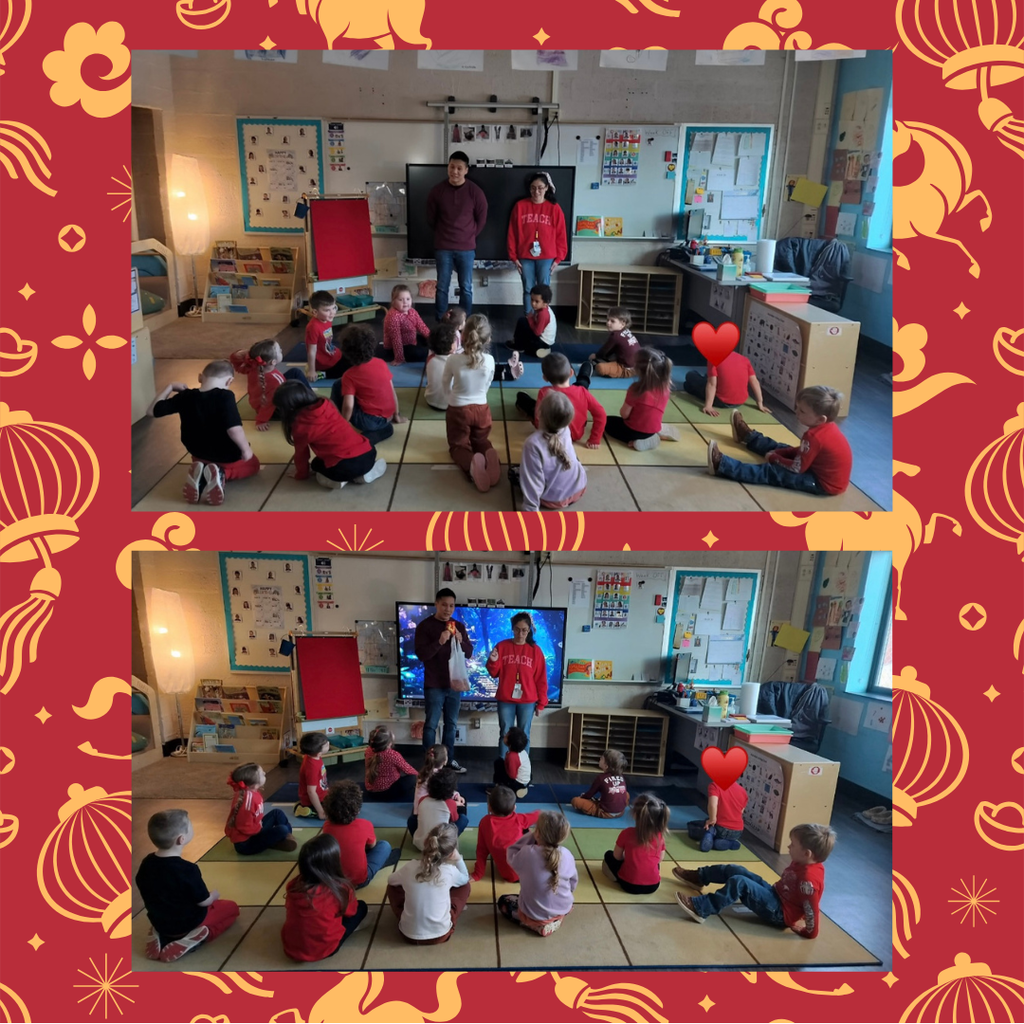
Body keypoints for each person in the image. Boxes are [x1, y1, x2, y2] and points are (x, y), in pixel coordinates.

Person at [674, 822, 837, 937]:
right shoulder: (802, 861)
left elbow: (811, 908)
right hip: (775, 894)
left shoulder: (808, 880)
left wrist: (809, 932)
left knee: (739, 882)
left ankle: (702, 908)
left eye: (792, 845)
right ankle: (699, 878)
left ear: (807, 853)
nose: (788, 847)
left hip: (779, 913)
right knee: (735, 869)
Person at [147, 360, 258, 506]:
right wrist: (246, 450)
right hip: (226, 454)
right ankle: (221, 474)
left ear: (200, 377)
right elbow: (234, 429)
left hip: (197, 452)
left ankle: (203, 474)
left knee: (203, 459)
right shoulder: (225, 396)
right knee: (253, 465)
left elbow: (152, 411)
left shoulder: (186, 396)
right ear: (230, 380)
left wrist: (170, 386)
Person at [136, 809, 240, 962]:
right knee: (232, 909)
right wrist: (214, 895)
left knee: (169, 910)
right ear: (181, 839)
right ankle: (197, 937)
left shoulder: (146, 863)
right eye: (190, 826)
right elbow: (204, 901)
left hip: (160, 920)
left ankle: (160, 934)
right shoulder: (187, 869)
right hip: (189, 922)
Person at [708, 386, 852, 495]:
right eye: (798, 408)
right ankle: (748, 437)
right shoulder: (826, 427)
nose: (796, 412)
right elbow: (801, 451)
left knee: (771, 472)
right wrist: (782, 451)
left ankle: (722, 465)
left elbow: (797, 468)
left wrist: (775, 458)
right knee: (780, 446)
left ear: (821, 419)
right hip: (814, 466)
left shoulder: (814, 436)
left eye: (802, 411)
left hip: (822, 483)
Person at [275, 380, 386, 490]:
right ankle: (364, 474)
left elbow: (302, 454)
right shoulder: (326, 403)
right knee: (349, 457)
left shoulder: (299, 425)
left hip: (342, 467)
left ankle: (336, 481)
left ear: (288, 408)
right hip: (368, 452)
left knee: (316, 465)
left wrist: (301, 474)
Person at [281, 834, 368, 961]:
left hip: (290, 947)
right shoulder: (340, 888)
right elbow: (352, 912)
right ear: (334, 863)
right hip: (325, 949)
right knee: (361, 907)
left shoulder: (293, 885)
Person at [414, 590, 472, 773]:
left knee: (451, 724)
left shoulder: (458, 626)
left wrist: (461, 642)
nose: (448, 609)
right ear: (437, 604)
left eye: (452, 605)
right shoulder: (425, 626)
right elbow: (422, 654)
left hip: (454, 684)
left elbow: (469, 653)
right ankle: (430, 765)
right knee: (431, 724)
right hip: (434, 685)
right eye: (444, 604)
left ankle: (449, 761)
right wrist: (439, 641)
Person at [387, 822, 472, 944]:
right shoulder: (449, 871)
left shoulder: (410, 867)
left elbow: (390, 880)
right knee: (464, 886)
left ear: (426, 842)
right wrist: (459, 859)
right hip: (441, 935)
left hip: (407, 934)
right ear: (451, 852)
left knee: (392, 887)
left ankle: (410, 915)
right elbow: (465, 878)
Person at [427, 152, 488, 320]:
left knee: (466, 287)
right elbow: (431, 218)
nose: (455, 171)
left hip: (467, 248)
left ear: (466, 170)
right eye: (452, 167)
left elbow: (482, 219)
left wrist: (468, 235)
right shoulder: (437, 191)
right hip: (443, 247)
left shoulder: (475, 192)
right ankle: (441, 323)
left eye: (459, 168)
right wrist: (444, 234)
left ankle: (464, 322)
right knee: (442, 287)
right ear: (448, 167)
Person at [443, 313, 499, 492]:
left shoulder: (453, 360)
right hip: (482, 409)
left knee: (458, 445)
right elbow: (488, 384)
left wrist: (450, 399)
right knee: (480, 439)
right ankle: (488, 454)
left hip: (458, 409)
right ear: (488, 338)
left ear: (463, 335)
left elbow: (445, 384)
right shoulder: (490, 361)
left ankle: (471, 465)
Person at [498, 811, 577, 936]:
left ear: (538, 834)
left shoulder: (527, 853)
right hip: (564, 907)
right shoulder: (567, 854)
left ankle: (534, 925)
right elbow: (573, 883)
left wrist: (531, 836)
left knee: (503, 901)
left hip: (534, 914)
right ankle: (556, 918)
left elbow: (511, 853)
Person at [332, 324, 407, 445]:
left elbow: (348, 406)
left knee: (338, 385)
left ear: (346, 351)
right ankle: (382, 430)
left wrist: (343, 425)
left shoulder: (349, 375)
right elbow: (392, 391)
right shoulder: (381, 363)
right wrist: (396, 415)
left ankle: (336, 421)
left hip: (368, 421)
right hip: (387, 417)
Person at [486, 611, 548, 756]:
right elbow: (494, 673)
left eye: (524, 630)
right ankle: (502, 767)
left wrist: (541, 703)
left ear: (529, 630)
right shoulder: (502, 646)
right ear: (512, 629)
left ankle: (522, 769)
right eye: (517, 629)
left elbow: (541, 679)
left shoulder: (536, 651)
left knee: (523, 735)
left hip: (527, 701)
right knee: (505, 734)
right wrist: (493, 661)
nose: (521, 633)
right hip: (506, 699)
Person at [515, 352, 606, 450]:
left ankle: (522, 397)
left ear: (545, 378)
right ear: (571, 373)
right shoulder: (582, 392)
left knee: (523, 400)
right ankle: (585, 371)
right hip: (576, 435)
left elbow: (538, 418)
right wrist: (595, 439)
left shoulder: (545, 392)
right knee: (582, 383)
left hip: (551, 435)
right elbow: (601, 414)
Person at [506, 171, 567, 315]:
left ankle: (542, 320)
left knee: (543, 290)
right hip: (525, 256)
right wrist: (513, 256)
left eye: (540, 187)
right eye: (533, 188)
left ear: (547, 188)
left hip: (546, 257)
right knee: (528, 288)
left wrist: (559, 258)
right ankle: (528, 320)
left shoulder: (554, 208)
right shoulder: (520, 206)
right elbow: (512, 233)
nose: (536, 191)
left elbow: (561, 235)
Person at [517, 390, 588, 512]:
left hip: (554, 500)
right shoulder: (566, 429)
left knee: (517, 474)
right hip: (579, 488)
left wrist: (530, 508)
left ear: (538, 414)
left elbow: (532, 481)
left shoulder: (533, 443)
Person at [322, 780, 400, 888]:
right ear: (357, 809)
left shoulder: (327, 826)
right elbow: (372, 846)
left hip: (334, 882)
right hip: (359, 881)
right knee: (384, 846)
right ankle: (379, 863)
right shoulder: (365, 824)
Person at [604, 347, 679, 452]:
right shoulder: (665, 389)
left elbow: (624, 414)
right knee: (649, 422)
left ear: (639, 370)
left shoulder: (636, 389)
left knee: (607, 421)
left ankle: (638, 441)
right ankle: (656, 432)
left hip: (633, 431)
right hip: (653, 429)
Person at [229, 339, 308, 430]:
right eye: (279, 350)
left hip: (265, 399)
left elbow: (236, 358)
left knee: (295, 372)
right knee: (298, 401)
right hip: (274, 411)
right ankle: (311, 403)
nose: (281, 350)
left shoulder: (253, 366)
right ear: (273, 362)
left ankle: (309, 398)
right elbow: (269, 403)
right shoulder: (274, 381)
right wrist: (261, 420)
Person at [602, 792, 669, 895]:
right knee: (654, 863)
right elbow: (660, 858)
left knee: (608, 855)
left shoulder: (627, 833)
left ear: (635, 814)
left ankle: (616, 876)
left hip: (628, 885)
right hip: (653, 886)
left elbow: (617, 856)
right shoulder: (659, 836)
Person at [470, 785, 540, 882]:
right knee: (530, 832)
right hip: (531, 873)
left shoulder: (485, 822)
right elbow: (539, 815)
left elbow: (481, 850)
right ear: (514, 808)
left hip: (510, 876)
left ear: (489, 807)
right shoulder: (519, 819)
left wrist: (477, 874)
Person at [224, 763, 296, 854]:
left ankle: (287, 838)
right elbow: (244, 827)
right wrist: (260, 829)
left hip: (256, 829)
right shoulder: (247, 802)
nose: (265, 773)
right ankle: (278, 839)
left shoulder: (252, 791)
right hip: (246, 844)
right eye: (262, 774)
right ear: (253, 784)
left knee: (277, 813)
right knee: (282, 829)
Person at [682, 349, 770, 416]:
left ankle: (689, 387)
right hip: (740, 401)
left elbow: (712, 385)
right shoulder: (744, 359)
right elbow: (754, 381)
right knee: (709, 377)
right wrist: (760, 403)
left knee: (691, 375)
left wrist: (708, 406)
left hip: (721, 401)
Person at [577, 307, 639, 386]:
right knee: (608, 358)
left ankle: (615, 371)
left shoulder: (616, 335)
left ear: (622, 324)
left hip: (627, 369)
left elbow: (604, 350)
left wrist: (595, 356)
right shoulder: (626, 331)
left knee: (600, 368)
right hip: (636, 366)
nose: (608, 323)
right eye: (608, 320)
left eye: (612, 321)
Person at [413, 767, 468, 848]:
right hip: (440, 847)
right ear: (451, 790)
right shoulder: (450, 803)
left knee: (412, 820)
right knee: (463, 819)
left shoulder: (422, 799)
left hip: (420, 845)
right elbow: (454, 821)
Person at [687, 778, 747, 852]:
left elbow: (713, 805)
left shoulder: (715, 786)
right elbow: (740, 812)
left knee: (697, 827)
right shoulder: (742, 791)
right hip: (737, 831)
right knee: (715, 835)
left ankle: (710, 832)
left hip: (720, 828)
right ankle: (729, 843)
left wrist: (712, 819)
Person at [570, 748, 630, 818]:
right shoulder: (621, 777)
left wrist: (582, 797)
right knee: (626, 794)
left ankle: (603, 809)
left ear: (606, 766)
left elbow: (589, 794)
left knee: (575, 801)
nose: (600, 758)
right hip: (620, 812)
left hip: (605, 812)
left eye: (601, 758)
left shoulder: (601, 778)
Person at [364, 725, 418, 801]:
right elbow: (410, 771)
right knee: (413, 778)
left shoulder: (368, 750)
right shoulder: (393, 755)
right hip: (387, 792)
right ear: (389, 744)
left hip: (370, 791)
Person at [408, 744, 454, 834]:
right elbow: (443, 794)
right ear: (445, 761)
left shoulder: (423, 772)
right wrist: (455, 799)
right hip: (430, 812)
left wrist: (455, 794)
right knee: (460, 814)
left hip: (417, 812)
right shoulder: (438, 776)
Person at [383, 283, 431, 365]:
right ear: (394, 301)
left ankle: (434, 348)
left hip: (411, 340)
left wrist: (433, 339)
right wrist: (399, 358)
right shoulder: (393, 316)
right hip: (397, 348)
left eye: (408, 299)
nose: (405, 302)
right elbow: (396, 339)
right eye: (400, 300)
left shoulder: (412, 311)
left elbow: (422, 327)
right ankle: (430, 352)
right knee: (418, 353)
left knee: (428, 339)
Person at [507, 283, 556, 358]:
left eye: (537, 301)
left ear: (545, 303)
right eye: (532, 300)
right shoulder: (540, 309)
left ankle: (520, 346)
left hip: (543, 342)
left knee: (522, 322)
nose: (533, 303)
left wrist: (530, 319)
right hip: (541, 338)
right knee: (523, 322)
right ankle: (520, 344)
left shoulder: (543, 314)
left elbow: (537, 332)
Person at [305, 290, 344, 379]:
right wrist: (312, 370)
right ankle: (321, 374)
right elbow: (311, 351)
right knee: (347, 372)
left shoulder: (326, 318)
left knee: (355, 360)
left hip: (332, 354)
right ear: (315, 312)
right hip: (324, 363)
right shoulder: (313, 327)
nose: (332, 313)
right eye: (327, 310)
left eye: (334, 308)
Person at [294, 731, 330, 820]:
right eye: (326, 745)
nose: (329, 743)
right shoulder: (312, 767)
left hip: (323, 794)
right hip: (314, 800)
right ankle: (303, 809)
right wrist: (321, 812)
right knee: (335, 812)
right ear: (319, 753)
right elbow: (311, 792)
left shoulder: (312, 755)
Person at [424, 323, 457, 411]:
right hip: (451, 404)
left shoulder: (430, 359)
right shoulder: (456, 361)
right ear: (451, 347)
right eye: (455, 341)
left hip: (430, 401)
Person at [493, 725, 531, 798]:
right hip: (525, 782)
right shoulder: (522, 752)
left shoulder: (512, 756)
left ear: (510, 743)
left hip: (517, 783)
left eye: (507, 735)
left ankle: (502, 790)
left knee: (498, 763)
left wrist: (505, 766)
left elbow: (512, 775)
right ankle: (520, 789)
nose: (505, 735)